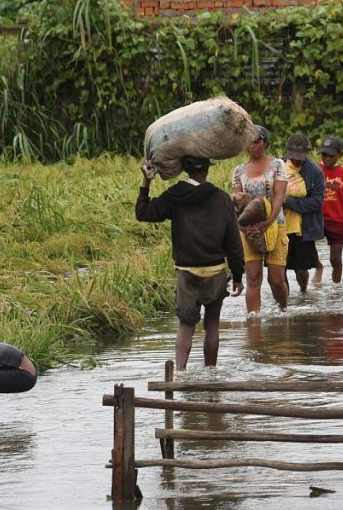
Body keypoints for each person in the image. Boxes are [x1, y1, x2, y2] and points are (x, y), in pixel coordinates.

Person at [136, 156, 244, 372]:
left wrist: (146, 182)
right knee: (212, 325)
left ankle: (180, 373)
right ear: (206, 170)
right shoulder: (221, 198)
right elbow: (233, 240)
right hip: (215, 272)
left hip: (187, 274)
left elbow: (143, 213)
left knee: (186, 326)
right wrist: (238, 275)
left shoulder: (175, 196)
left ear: (184, 169)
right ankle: (210, 372)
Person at [231, 125, 289, 314]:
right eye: (249, 141)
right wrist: (242, 227)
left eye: (257, 141)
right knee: (253, 278)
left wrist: (268, 222)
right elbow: (238, 202)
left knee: (276, 280)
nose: (252, 145)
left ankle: (283, 310)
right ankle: (253, 323)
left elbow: (279, 196)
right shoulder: (238, 171)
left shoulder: (277, 165)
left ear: (265, 143)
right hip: (249, 228)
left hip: (275, 224)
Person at [281, 133, 324, 294]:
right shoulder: (278, 167)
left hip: (302, 228)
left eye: (300, 157)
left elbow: (317, 201)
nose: (297, 160)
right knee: (280, 269)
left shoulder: (315, 172)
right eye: (294, 157)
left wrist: (291, 203)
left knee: (300, 269)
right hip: (280, 226)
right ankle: (283, 300)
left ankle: (303, 292)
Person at [318, 136, 343, 283]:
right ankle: (318, 266)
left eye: (331, 155)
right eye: (324, 155)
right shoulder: (316, 170)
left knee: (335, 258)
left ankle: (336, 286)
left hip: (337, 221)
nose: (327, 158)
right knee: (307, 250)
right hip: (318, 219)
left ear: (340, 155)